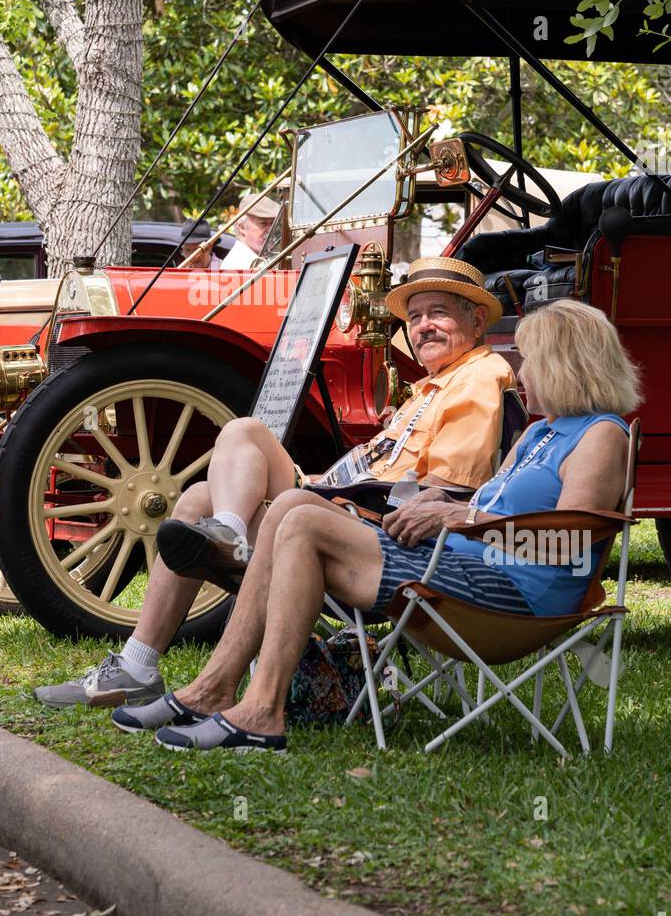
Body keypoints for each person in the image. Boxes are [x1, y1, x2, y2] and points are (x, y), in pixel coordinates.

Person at [132, 300, 640, 753]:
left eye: (530, 359)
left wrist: (459, 516)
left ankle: (259, 708)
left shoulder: (601, 436)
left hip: (513, 596)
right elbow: (497, 506)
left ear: (565, 364)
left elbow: (567, 543)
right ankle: (216, 689)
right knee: (289, 505)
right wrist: (445, 500)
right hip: (461, 565)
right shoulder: (542, 433)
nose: (521, 371)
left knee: (303, 521)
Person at [34, 256, 514, 711]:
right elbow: (386, 461)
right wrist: (332, 482)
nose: (423, 325)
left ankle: (226, 540)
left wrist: (346, 495)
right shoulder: (432, 384)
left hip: (383, 529)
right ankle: (139, 663)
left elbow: (443, 493)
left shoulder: (479, 378)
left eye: (438, 313)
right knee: (199, 495)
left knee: (242, 434)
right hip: (349, 499)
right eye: (415, 316)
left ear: (476, 320)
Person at [218, 191, 280, 269]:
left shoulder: (255, 260)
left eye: (272, 224)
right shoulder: (238, 263)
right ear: (242, 228)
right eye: (263, 224)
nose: (270, 230)